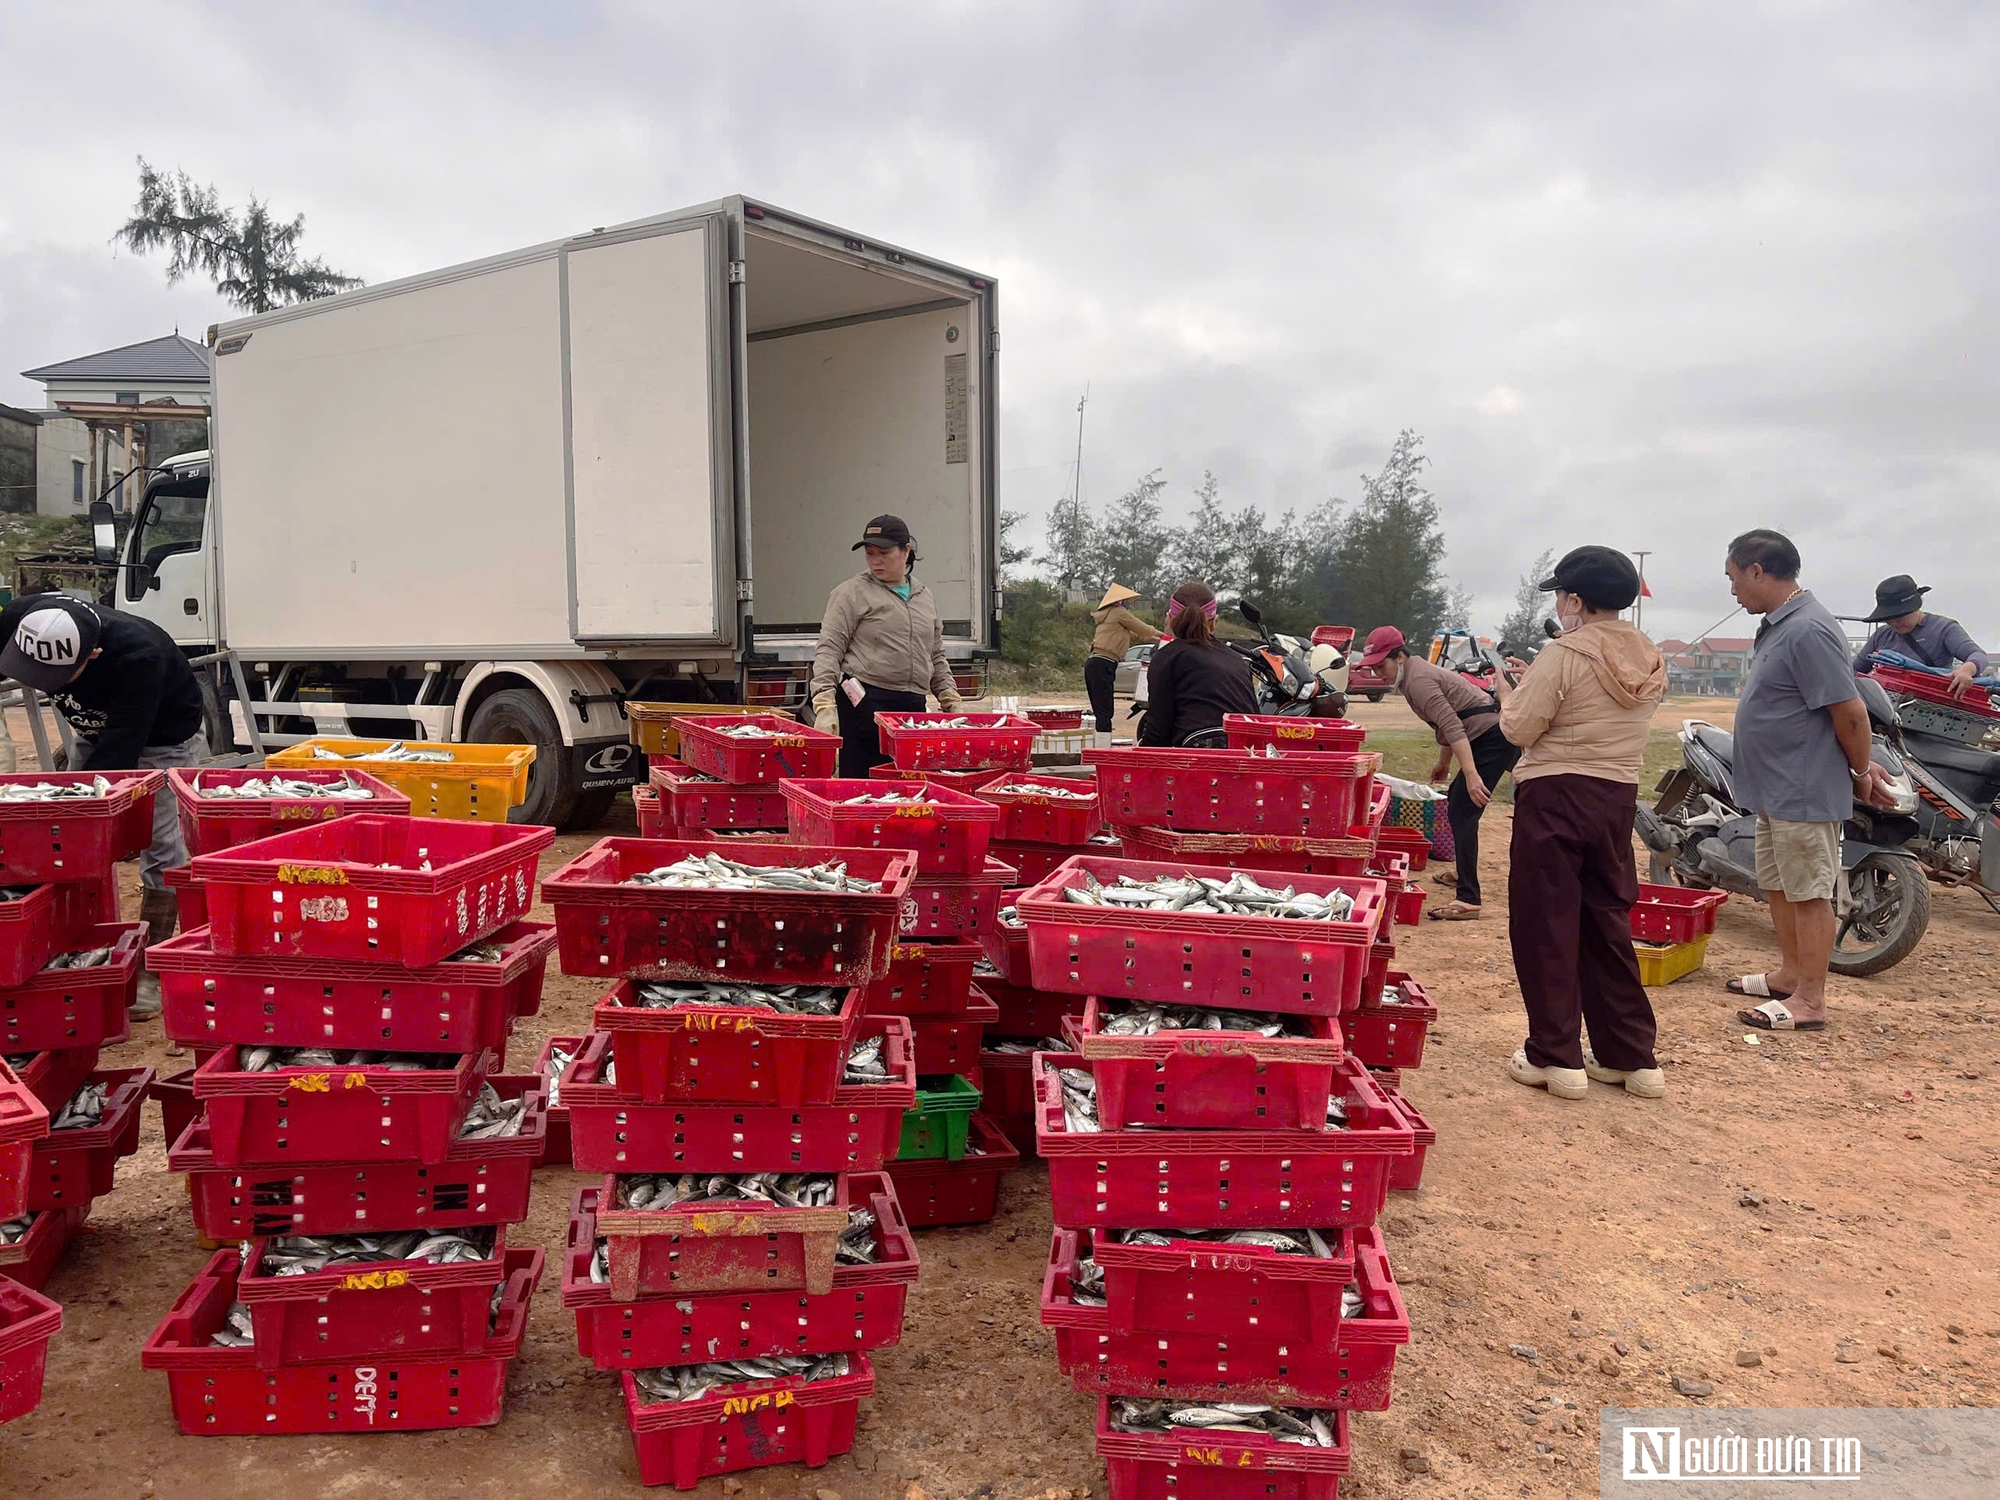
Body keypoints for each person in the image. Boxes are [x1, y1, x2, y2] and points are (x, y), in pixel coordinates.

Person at [1493, 546, 1667, 1101]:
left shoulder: (1563, 652)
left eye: (1562, 597)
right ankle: (1631, 1058)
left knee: (1547, 925)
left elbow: (1520, 729)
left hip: (1555, 794)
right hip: (1617, 797)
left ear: (1574, 600)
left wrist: (1508, 693)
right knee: (1606, 924)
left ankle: (1555, 1055)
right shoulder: (1651, 655)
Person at [0, 593, 209, 1021]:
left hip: (160, 739)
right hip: (93, 732)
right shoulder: (25, 618)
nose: (43, 684)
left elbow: (119, 755)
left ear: (92, 654)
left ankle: (151, 967)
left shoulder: (140, 657)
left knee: (160, 845)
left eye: (56, 675)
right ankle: (69, 942)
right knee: (68, 844)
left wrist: (85, 800)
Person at [1724, 530, 1897, 1032]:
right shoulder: (1782, 625)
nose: (1733, 591)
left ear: (1757, 570)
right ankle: (1790, 975)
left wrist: (1862, 772)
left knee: (1808, 891)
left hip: (1801, 788)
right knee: (1780, 885)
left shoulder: (1808, 629)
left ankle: (1811, 1001)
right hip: (1775, 788)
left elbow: (1850, 712)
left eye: (1734, 578)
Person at [1354, 624, 1519, 920]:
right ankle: (1462, 872)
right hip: (1483, 735)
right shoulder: (1413, 676)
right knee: (1459, 802)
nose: (1380, 674)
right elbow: (1450, 722)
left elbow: (1453, 725)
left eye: (1382, 666)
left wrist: (1470, 774)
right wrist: (1445, 763)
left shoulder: (1418, 680)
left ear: (1400, 657)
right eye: (1374, 668)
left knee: (1463, 810)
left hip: (1491, 738)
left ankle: (1469, 898)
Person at [810, 514, 964, 777]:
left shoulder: (924, 597)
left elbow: (935, 654)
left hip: (912, 708)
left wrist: (949, 697)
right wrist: (824, 704)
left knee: (909, 788)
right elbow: (829, 649)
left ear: (906, 551)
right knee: (863, 786)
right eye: (870, 553)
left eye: (884, 552)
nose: (875, 560)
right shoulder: (851, 593)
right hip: (865, 704)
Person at [1137, 580, 1256, 747]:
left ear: (1170, 619)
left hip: (1198, 756)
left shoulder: (1167, 657)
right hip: (1245, 753)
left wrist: (1140, 755)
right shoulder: (1237, 659)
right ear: (1214, 621)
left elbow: (1159, 729)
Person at [1854, 574, 1989, 700]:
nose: (1894, 623)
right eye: (1888, 618)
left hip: (1932, 702)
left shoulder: (1944, 628)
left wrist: (1965, 671)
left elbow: (1977, 654)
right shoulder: (1882, 635)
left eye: (1900, 616)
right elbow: (1854, 670)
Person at [1085, 584, 1160, 745]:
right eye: (1125, 601)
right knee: (1105, 711)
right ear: (1118, 602)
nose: (1127, 605)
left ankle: (1102, 745)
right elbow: (1142, 628)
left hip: (1096, 663)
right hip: (1103, 663)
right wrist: (1161, 635)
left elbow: (1133, 634)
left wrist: (1153, 637)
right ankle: (1103, 749)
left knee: (1102, 710)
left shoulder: (1108, 617)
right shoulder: (1119, 613)